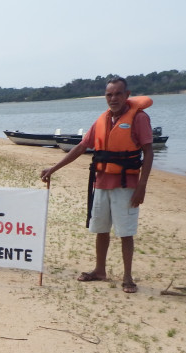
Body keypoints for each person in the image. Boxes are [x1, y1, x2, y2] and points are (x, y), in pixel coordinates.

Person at [40, 76, 154, 294]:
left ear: (127, 95)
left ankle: (128, 276)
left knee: (125, 232)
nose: (113, 98)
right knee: (101, 229)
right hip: (101, 183)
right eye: (109, 94)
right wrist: (53, 169)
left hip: (125, 185)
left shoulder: (139, 118)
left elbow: (148, 153)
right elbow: (81, 147)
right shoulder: (102, 119)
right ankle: (100, 270)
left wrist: (142, 186)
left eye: (118, 93)